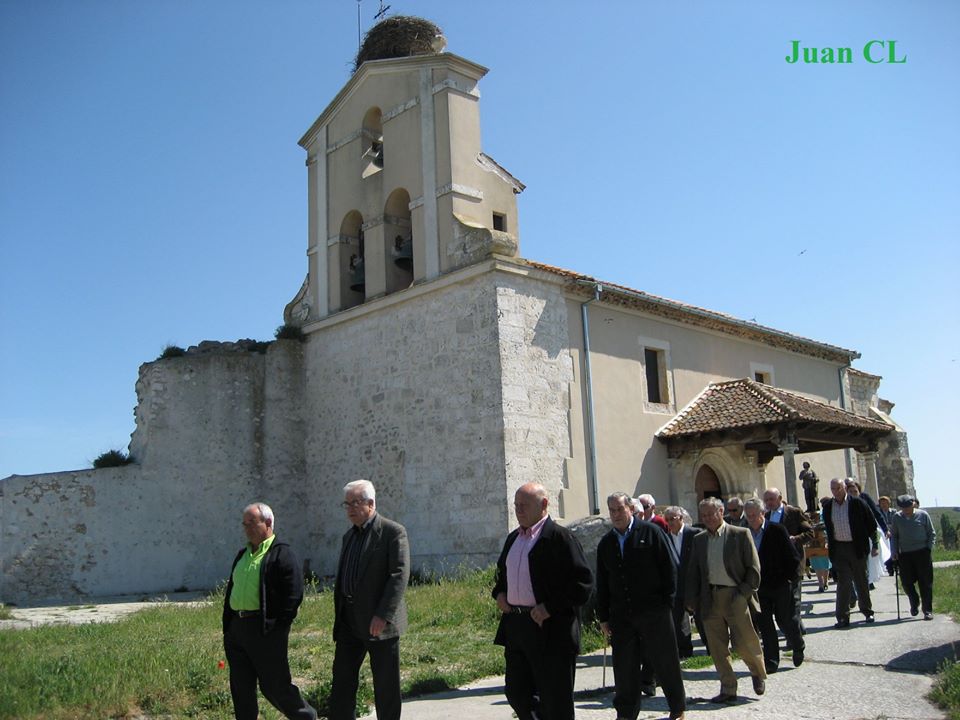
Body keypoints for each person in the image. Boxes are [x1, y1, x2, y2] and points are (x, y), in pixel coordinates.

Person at [493, 482, 593, 720]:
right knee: (516, 693)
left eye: (524, 505)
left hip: (550, 630)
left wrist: (549, 607)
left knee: (555, 699)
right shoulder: (513, 539)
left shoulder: (560, 538)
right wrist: (499, 594)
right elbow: (501, 577)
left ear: (544, 505)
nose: (518, 510)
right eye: (516, 505)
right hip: (517, 628)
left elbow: (583, 585)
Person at [222, 503, 317, 720]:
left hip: (264, 630)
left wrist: (277, 627)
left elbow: (293, 595)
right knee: (241, 687)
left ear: (268, 523)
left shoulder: (282, 553)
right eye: (244, 524)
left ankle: (306, 716)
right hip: (237, 629)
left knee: (274, 686)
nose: (247, 528)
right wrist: (229, 627)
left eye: (252, 523)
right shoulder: (243, 554)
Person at [597, 493, 687, 720]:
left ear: (630, 508)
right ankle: (626, 713)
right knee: (625, 667)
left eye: (619, 509)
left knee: (665, 661)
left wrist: (667, 603)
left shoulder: (651, 532)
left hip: (654, 611)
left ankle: (677, 708)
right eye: (612, 511)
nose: (616, 515)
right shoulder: (607, 543)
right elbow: (602, 582)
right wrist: (604, 616)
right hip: (622, 615)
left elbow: (670, 569)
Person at [330, 480, 410, 720]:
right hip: (349, 623)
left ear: (371, 503)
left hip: (379, 624)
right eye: (347, 504)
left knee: (385, 687)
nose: (350, 509)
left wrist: (383, 615)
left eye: (356, 503)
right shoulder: (349, 536)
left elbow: (399, 575)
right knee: (342, 683)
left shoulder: (392, 532)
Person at [685, 497, 767, 704]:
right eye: (703, 515)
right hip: (709, 598)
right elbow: (694, 571)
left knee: (743, 642)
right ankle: (728, 687)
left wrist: (743, 594)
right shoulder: (699, 539)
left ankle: (757, 671)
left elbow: (754, 568)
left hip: (735, 595)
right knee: (717, 647)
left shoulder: (740, 534)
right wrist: (691, 600)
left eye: (711, 514)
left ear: (722, 512)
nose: (708, 519)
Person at [743, 498, 804, 673]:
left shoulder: (777, 530)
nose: (752, 518)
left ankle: (798, 644)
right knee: (765, 624)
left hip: (780, 584)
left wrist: (790, 580)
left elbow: (792, 557)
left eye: (754, 515)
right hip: (759, 587)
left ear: (763, 514)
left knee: (786, 619)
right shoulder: (745, 532)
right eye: (749, 516)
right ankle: (771, 660)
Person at [822, 478, 879, 627]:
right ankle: (842, 617)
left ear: (845, 488)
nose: (836, 492)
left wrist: (874, 544)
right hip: (839, 549)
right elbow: (828, 527)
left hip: (856, 547)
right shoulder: (828, 507)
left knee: (861, 581)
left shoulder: (857, 503)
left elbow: (871, 524)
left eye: (838, 488)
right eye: (833, 489)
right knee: (843, 583)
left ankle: (867, 612)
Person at [762, 487, 813, 638]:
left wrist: (795, 539)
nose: (769, 503)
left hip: (793, 563)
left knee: (794, 600)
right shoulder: (765, 516)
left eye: (771, 499)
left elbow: (810, 532)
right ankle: (797, 630)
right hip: (775, 567)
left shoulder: (794, 513)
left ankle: (794, 637)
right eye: (766, 500)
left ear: (779, 498)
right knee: (785, 604)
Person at [890, 494, 936, 620]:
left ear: (913, 505)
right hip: (905, 554)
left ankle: (927, 610)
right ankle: (914, 600)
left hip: (922, 552)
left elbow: (931, 533)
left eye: (909, 507)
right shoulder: (897, 517)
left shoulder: (923, 515)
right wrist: (894, 551)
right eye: (904, 508)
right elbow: (894, 536)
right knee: (906, 582)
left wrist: (928, 548)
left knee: (925, 583)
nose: (907, 510)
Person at [663, 505, 701, 659]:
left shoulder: (695, 534)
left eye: (673, 519)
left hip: (694, 582)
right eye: (668, 520)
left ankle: (712, 647)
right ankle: (685, 650)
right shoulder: (666, 538)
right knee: (679, 619)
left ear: (681, 518)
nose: (670, 522)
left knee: (702, 617)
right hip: (677, 585)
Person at [845, 479, 891, 587]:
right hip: (851, 537)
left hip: (867, 534)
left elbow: (876, 513)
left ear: (859, 492)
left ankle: (868, 580)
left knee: (869, 558)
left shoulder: (864, 499)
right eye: (850, 492)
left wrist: (885, 529)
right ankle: (861, 582)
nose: (852, 494)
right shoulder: (845, 503)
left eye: (855, 491)